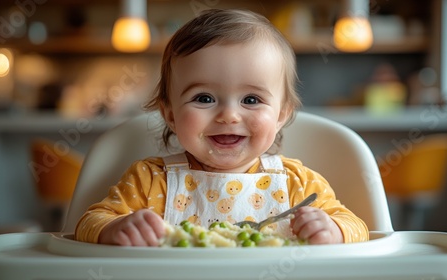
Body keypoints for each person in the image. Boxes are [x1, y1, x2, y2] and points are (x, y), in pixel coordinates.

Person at [75, 9, 369, 246]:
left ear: (281, 114)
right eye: (204, 98)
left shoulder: (297, 183)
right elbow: (88, 223)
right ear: (170, 114)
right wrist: (114, 229)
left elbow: (359, 227)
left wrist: (334, 230)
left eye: (251, 99)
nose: (229, 115)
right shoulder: (150, 181)